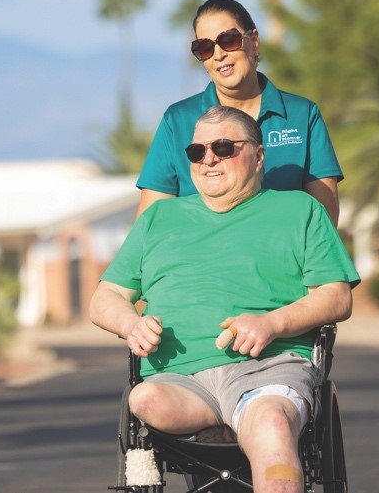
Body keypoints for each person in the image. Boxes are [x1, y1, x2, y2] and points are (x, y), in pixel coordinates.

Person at [92, 105, 359, 493]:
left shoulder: (300, 211)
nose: (209, 159)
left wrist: (271, 323)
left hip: (267, 369)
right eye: (197, 152)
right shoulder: (158, 219)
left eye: (223, 147)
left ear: (259, 155)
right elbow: (106, 296)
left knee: (270, 424)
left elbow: (337, 296)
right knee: (144, 399)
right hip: (178, 381)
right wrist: (129, 323)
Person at [136, 0, 342, 225]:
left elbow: (325, 219)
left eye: (228, 40)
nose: (218, 54)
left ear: (254, 41)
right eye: (204, 47)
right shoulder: (177, 121)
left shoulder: (302, 115)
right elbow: (150, 222)